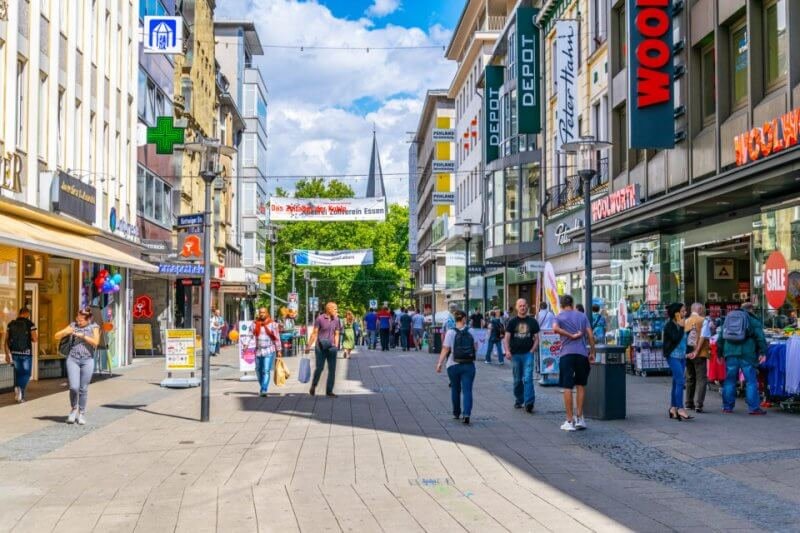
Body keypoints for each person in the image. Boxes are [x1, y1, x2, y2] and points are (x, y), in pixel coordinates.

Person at [553, 295, 595, 431]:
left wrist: (569, 336)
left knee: (567, 386)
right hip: (582, 354)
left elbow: (555, 329)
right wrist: (592, 352)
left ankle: (569, 421)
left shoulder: (559, 317)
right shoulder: (582, 316)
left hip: (566, 354)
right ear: (573, 303)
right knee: (581, 385)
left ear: (561, 304)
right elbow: (590, 335)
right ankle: (580, 418)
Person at [717, 302, 768, 415]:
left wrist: (719, 353)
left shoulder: (729, 318)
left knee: (730, 380)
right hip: (747, 353)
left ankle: (727, 407)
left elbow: (721, 337)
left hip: (730, 352)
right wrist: (763, 352)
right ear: (751, 309)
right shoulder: (753, 320)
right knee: (751, 381)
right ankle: (754, 408)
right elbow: (760, 337)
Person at [54, 307, 101, 425]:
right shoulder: (73, 325)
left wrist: (83, 336)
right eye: (77, 319)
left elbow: (96, 342)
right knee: (73, 387)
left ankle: (81, 413)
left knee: (83, 388)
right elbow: (56, 335)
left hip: (87, 360)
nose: (78, 322)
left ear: (88, 319)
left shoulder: (94, 327)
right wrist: (67, 332)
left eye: (81, 320)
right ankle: (73, 409)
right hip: (73, 359)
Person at [436, 309, 477, 425]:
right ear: (464, 319)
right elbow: (476, 347)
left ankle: (456, 413)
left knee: (455, 389)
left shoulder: (450, 332)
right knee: (467, 390)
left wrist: (439, 363)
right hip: (468, 365)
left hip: (453, 365)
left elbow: (446, 349)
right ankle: (467, 414)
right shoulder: (471, 331)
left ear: (455, 320)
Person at [503, 298, 540, 413]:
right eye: (520, 306)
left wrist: (532, 350)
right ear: (516, 307)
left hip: (528, 354)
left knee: (528, 378)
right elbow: (506, 338)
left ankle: (529, 403)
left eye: (524, 305)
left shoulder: (533, 321)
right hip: (515, 355)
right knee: (517, 380)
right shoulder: (512, 322)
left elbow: (537, 338)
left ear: (527, 306)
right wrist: (507, 351)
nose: (523, 307)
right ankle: (519, 399)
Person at [663, 302, 693, 421]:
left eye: (685, 311)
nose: (685, 313)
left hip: (682, 356)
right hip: (673, 356)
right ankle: (680, 408)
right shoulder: (669, 326)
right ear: (676, 313)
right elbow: (676, 338)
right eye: (682, 311)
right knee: (681, 381)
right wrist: (681, 327)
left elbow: (685, 340)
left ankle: (673, 408)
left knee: (676, 382)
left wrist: (690, 350)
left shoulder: (683, 324)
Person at [306, 302, 341, 397]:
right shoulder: (320, 319)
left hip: (332, 348)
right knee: (319, 368)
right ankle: (314, 385)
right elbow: (314, 333)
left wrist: (336, 346)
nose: (336, 311)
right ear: (329, 309)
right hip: (320, 347)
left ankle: (329, 391)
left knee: (332, 369)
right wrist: (308, 346)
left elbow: (337, 333)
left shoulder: (337, 320)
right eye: (335, 309)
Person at [5, 308, 38, 403]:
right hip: (26, 353)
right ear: (27, 314)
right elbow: (35, 339)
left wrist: (7, 354)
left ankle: (20, 396)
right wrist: (30, 339)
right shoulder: (30, 324)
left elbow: (6, 340)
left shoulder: (10, 324)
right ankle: (19, 388)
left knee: (19, 373)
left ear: (19, 314)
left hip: (14, 352)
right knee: (27, 374)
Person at [684, 302, 712, 413]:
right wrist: (696, 351)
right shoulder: (703, 320)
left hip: (687, 353)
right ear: (699, 309)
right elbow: (703, 337)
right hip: (699, 354)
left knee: (690, 377)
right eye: (702, 309)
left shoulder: (685, 321)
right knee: (701, 379)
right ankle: (698, 404)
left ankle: (688, 403)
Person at [253, 307, 281, 397]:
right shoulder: (254, 324)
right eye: (260, 312)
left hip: (269, 350)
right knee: (258, 370)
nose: (262, 314)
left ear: (267, 313)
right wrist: (245, 344)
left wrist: (279, 350)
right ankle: (263, 386)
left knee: (266, 370)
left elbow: (276, 338)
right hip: (258, 351)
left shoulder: (273, 324)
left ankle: (264, 389)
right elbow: (250, 335)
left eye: (263, 312)